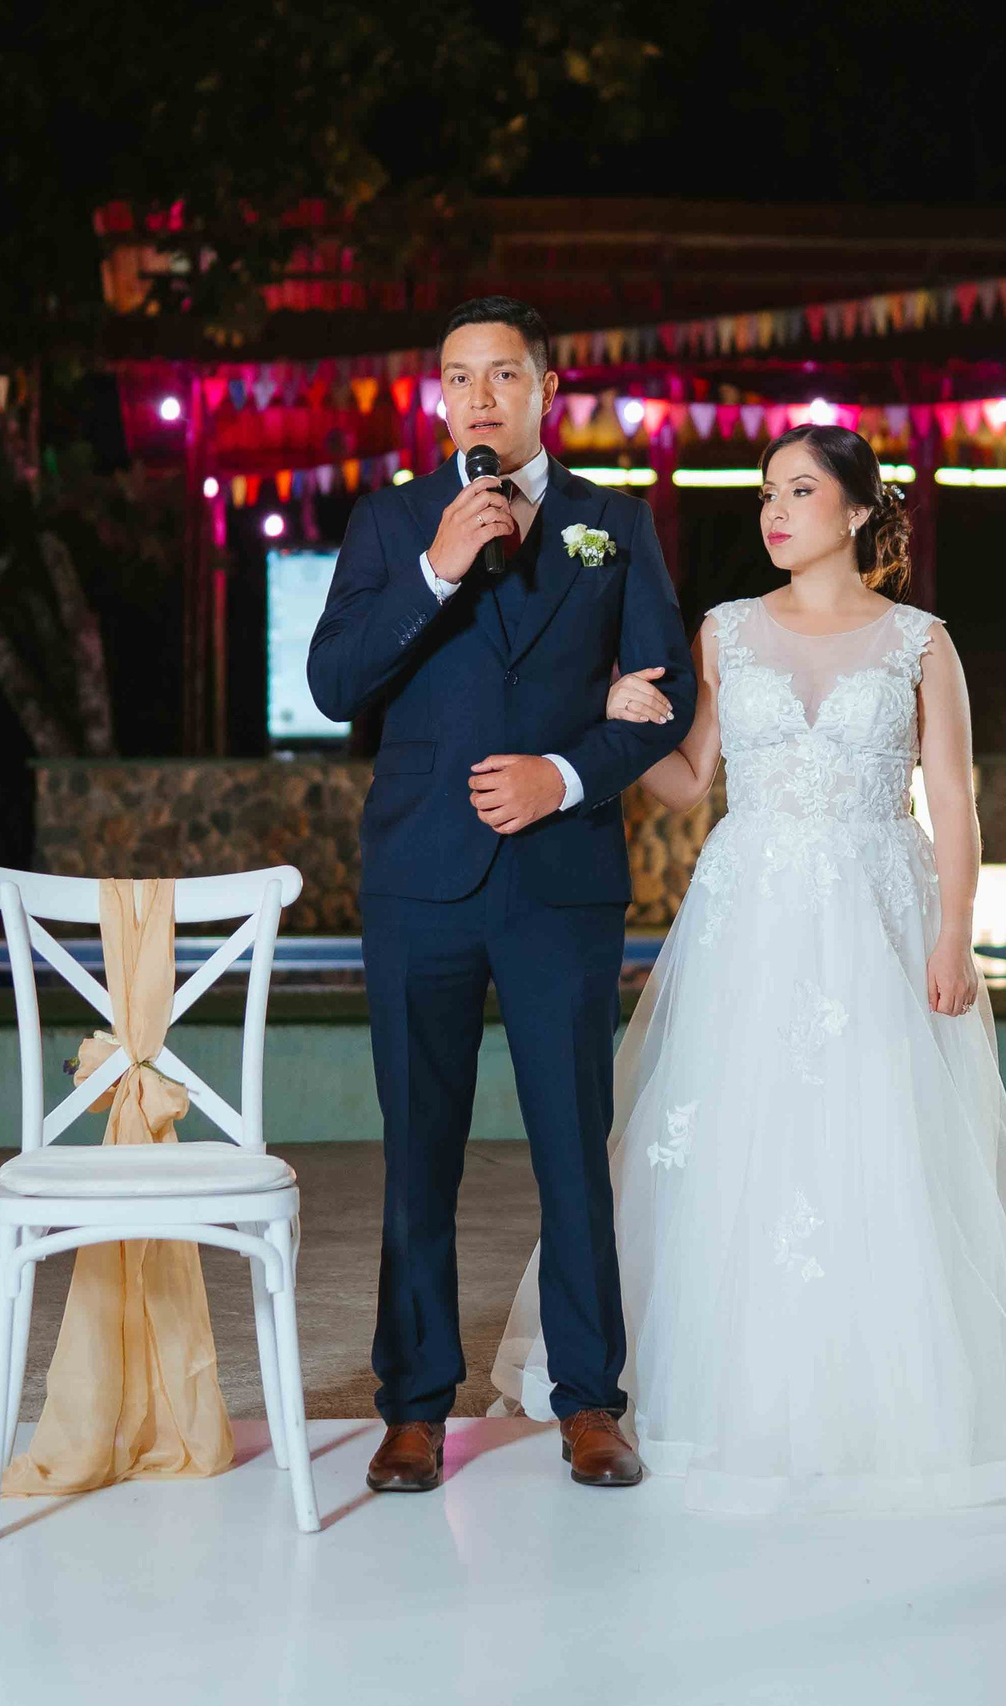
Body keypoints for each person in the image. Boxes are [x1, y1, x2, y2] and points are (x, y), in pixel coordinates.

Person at [490, 424, 1006, 1514]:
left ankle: (885, 1399)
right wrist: (621, 721)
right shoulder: (725, 632)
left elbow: (956, 802)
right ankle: (723, 1390)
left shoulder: (920, 641)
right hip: (753, 915)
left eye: (797, 491)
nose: (773, 512)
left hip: (878, 911)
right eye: (764, 493)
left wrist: (956, 935)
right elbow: (693, 782)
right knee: (738, 1139)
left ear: (853, 510)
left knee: (878, 1141)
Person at [308, 297, 697, 1493]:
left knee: (573, 1150)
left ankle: (590, 1402)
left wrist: (566, 772)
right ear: (438, 401)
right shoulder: (390, 525)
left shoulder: (611, 525)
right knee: (416, 1147)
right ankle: (415, 1407)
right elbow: (333, 683)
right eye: (458, 377)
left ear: (544, 392)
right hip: (422, 880)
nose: (479, 395)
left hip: (559, 885)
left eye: (503, 374)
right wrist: (435, 569)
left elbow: (663, 701)